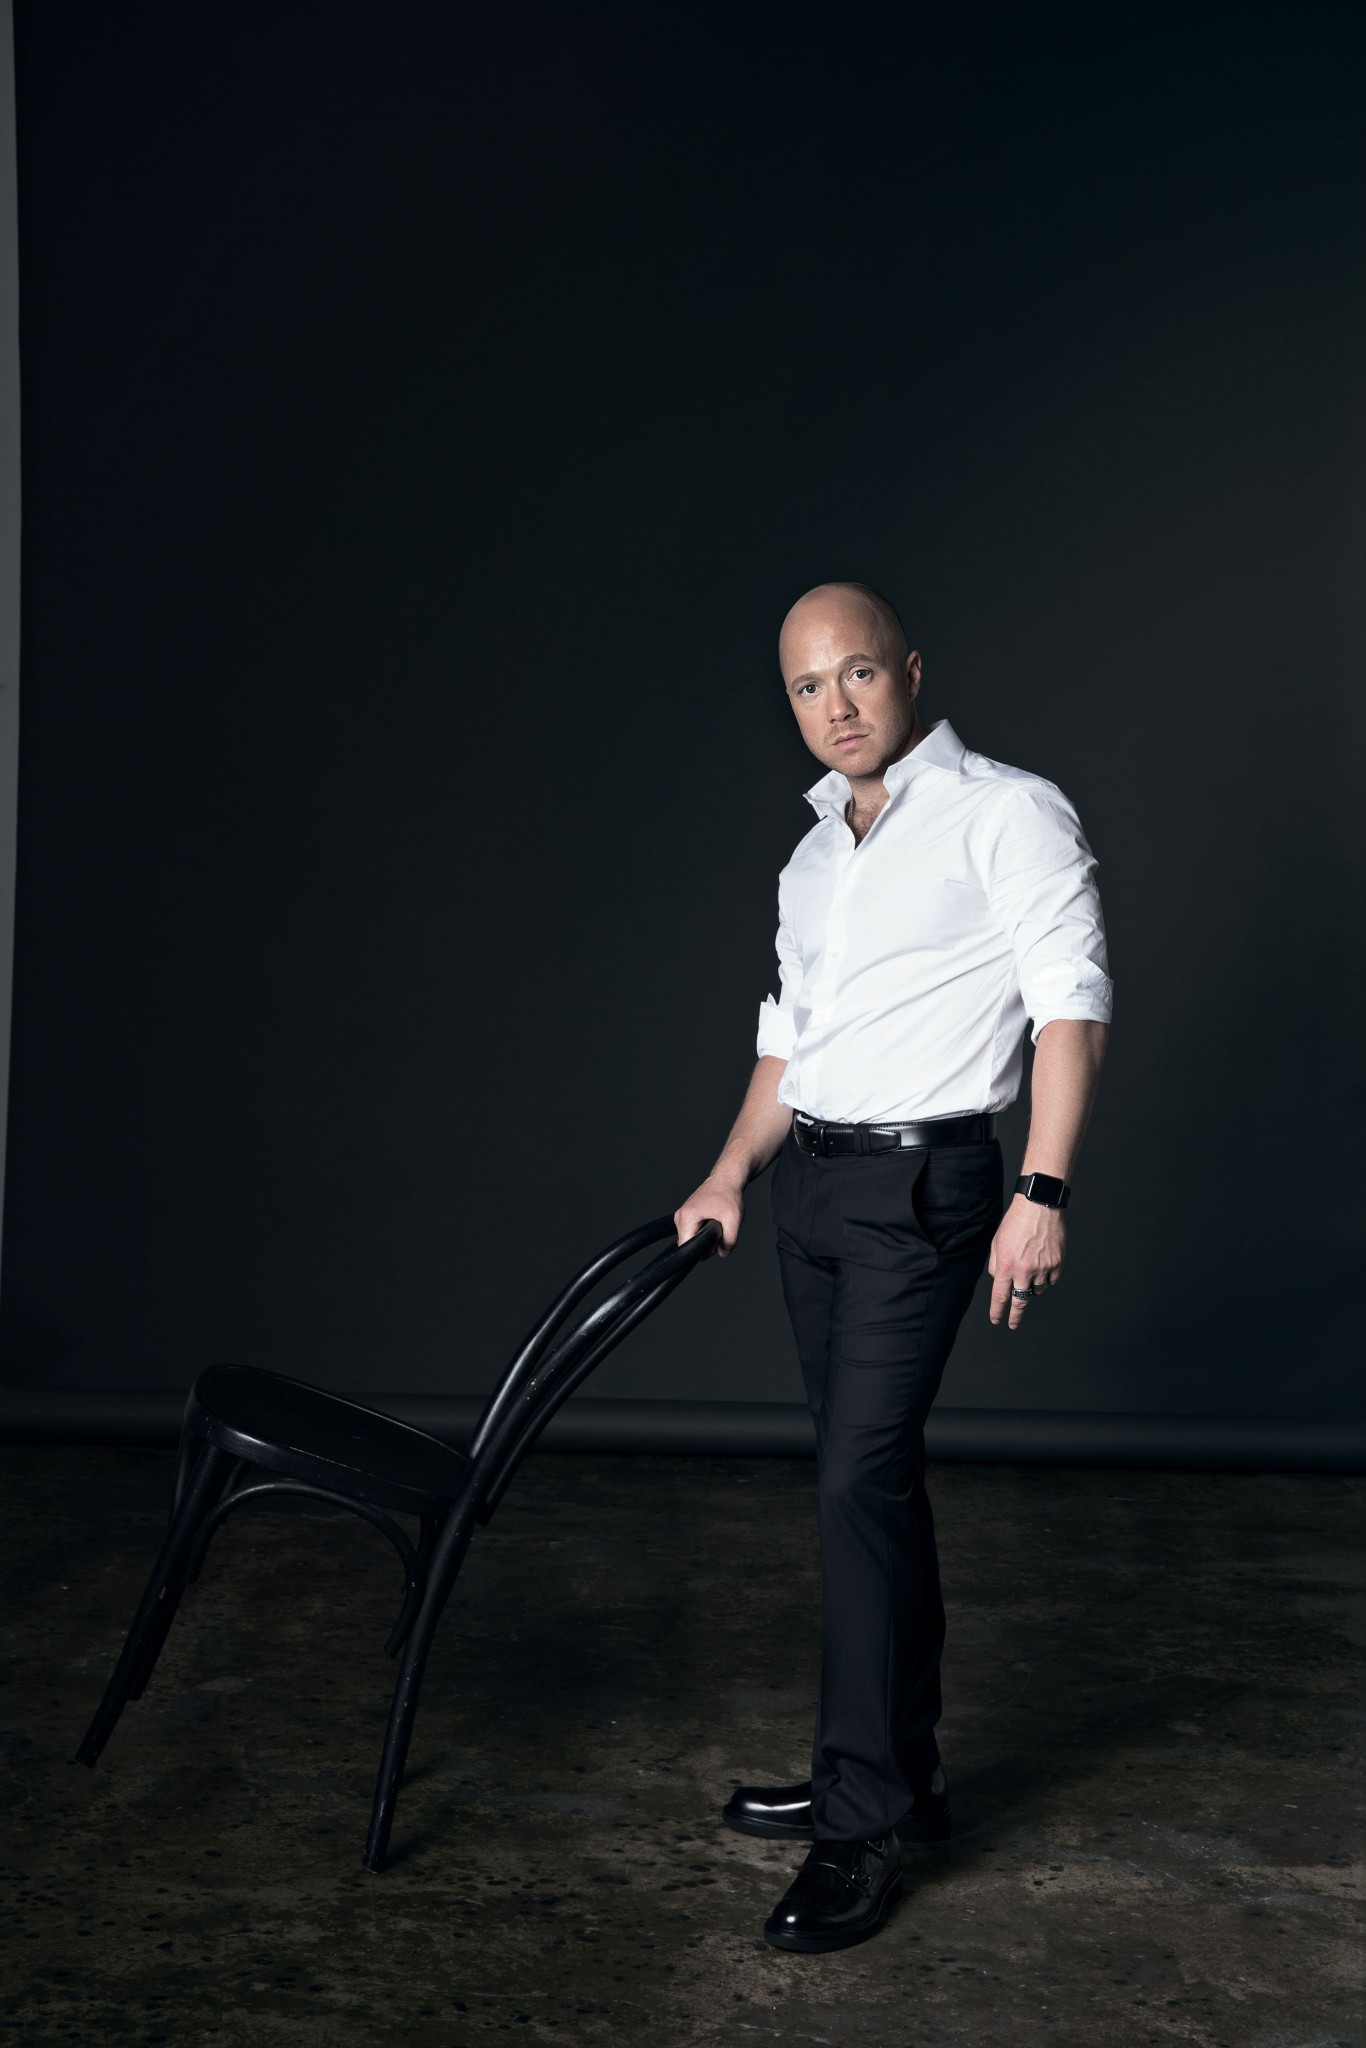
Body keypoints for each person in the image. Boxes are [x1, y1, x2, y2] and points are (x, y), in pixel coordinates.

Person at [673, 582, 1111, 1954]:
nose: (837, 706)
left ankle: (858, 1826)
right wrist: (730, 1173)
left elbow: (1069, 1002)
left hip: (928, 1186)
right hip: (810, 1186)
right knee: (871, 1484)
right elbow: (788, 1038)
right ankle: (898, 1777)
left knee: (855, 1483)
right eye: (808, 687)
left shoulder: (1006, 811)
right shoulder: (813, 857)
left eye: (856, 673)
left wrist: (1041, 1189)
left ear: (909, 671)